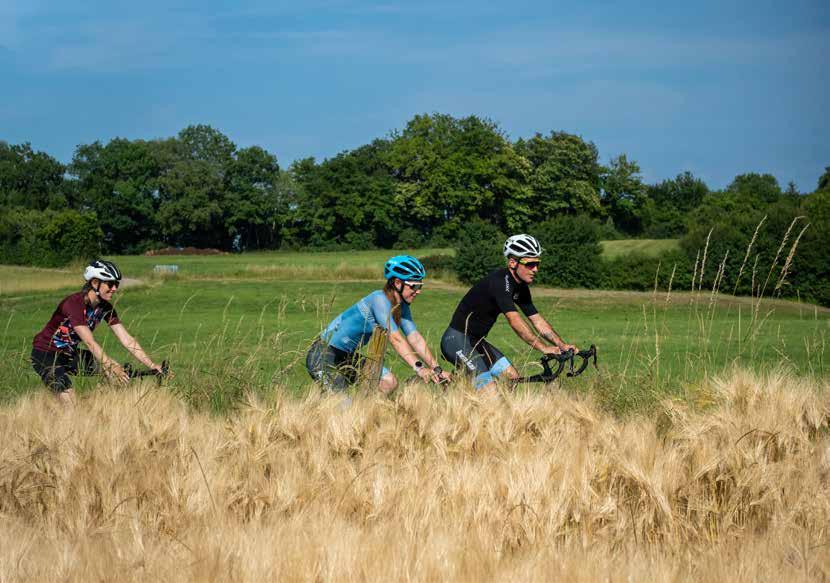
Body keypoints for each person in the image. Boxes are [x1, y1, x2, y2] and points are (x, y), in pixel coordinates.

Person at [440, 234, 577, 391]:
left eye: (537, 263)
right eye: (530, 264)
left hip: (476, 342)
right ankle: (459, 391)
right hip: (455, 340)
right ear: (512, 262)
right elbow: (515, 321)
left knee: (512, 378)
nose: (535, 269)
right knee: (489, 391)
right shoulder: (500, 282)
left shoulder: (521, 287)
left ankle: (456, 386)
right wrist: (543, 348)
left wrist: (561, 345)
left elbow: (537, 320)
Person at [306, 255, 451, 395]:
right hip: (322, 354)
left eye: (420, 285)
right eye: (414, 286)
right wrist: (419, 368)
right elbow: (396, 339)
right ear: (397, 283)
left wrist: (436, 369)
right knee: (341, 400)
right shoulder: (379, 300)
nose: (418, 291)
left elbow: (415, 338)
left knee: (388, 382)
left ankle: (367, 409)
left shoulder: (402, 307)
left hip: (347, 357)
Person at [31, 259, 167, 405]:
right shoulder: (74, 303)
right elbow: (89, 342)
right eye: (110, 284)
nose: (114, 289)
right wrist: (110, 364)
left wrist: (152, 365)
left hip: (69, 354)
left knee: (115, 374)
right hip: (45, 354)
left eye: (116, 284)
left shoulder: (105, 308)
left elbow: (127, 339)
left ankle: (105, 408)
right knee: (70, 402)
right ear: (95, 283)